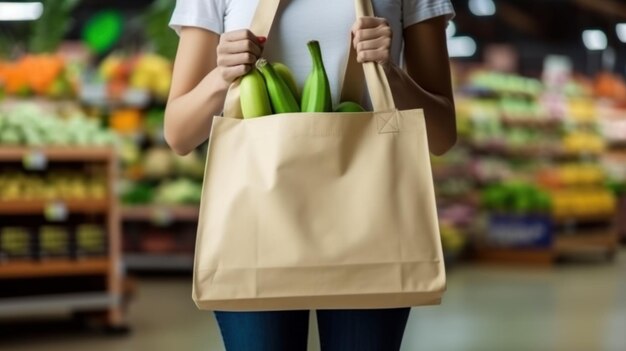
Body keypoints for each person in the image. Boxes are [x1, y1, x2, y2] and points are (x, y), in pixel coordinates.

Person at [165, 0, 456, 350]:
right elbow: (179, 134)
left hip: (368, 221)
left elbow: (442, 135)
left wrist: (388, 72)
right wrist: (220, 76)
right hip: (256, 221)